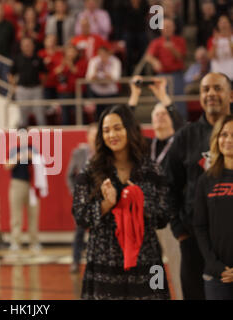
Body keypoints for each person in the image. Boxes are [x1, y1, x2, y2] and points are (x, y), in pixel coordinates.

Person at [72, 105, 171, 300]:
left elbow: (163, 217)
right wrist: (106, 204)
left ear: (130, 129)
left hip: (148, 261)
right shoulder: (90, 171)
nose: (112, 135)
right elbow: (80, 216)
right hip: (103, 262)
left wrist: (141, 204)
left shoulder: (152, 170)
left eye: (118, 128)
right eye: (106, 130)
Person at [165, 72, 232, 300]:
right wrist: (179, 230)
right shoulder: (186, 136)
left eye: (217, 88)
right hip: (194, 241)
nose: (210, 94)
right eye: (205, 90)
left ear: (230, 95)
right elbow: (168, 185)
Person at [194, 114, 233, 300]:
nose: (228, 140)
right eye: (224, 134)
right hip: (217, 275)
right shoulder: (206, 180)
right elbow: (200, 226)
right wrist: (214, 265)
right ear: (217, 139)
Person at [4, 129, 48, 252]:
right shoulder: (13, 150)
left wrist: (31, 156)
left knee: (33, 214)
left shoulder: (32, 149)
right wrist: (17, 158)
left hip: (31, 185)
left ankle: (34, 242)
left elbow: (42, 162)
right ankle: (15, 242)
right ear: (17, 137)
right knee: (16, 215)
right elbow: (6, 166)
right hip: (17, 183)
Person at [67, 123, 97, 273]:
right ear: (88, 136)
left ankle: (96, 262)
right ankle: (75, 261)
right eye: (93, 134)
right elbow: (69, 176)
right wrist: (76, 193)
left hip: (100, 200)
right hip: (83, 200)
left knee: (98, 232)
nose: (95, 137)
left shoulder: (107, 154)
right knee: (79, 231)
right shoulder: (78, 153)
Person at [146, 18, 187, 120]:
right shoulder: (157, 42)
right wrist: (155, 61)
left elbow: (181, 57)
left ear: (174, 28)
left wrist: (172, 49)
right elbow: (148, 56)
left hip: (176, 75)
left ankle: (181, 124)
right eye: (165, 27)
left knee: (179, 102)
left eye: (169, 26)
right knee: (162, 103)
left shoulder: (180, 40)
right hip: (162, 76)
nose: (167, 29)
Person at [8, 37, 47, 127]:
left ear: (33, 46)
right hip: (22, 89)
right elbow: (11, 74)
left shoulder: (38, 58)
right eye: (25, 45)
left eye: (29, 45)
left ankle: (44, 137)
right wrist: (14, 87)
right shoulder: (17, 59)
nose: (27, 47)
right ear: (21, 47)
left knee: (40, 114)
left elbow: (45, 73)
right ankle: (23, 137)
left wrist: (41, 85)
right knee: (22, 116)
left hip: (36, 89)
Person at [86, 46, 122, 121]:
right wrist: (95, 73)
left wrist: (106, 71)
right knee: (98, 116)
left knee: (112, 114)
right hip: (96, 92)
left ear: (108, 53)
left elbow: (116, 77)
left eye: (104, 54)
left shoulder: (115, 61)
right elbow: (88, 78)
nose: (102, 56)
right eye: (100, 54)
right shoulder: (94, 61)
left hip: (111, 93)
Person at [207, 15, 233, 81]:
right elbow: (210, 56)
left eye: (225, 22)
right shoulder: (212, 39)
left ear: (229, 24)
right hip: (217, 74)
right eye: (221, 22)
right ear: (218, 24)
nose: (223, 25)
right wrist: (216, 43)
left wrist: (229, 40)